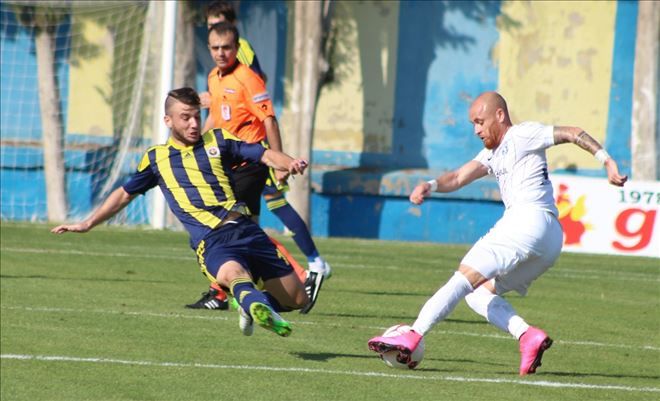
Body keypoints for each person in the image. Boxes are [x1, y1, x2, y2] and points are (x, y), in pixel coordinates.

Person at [367, 91, 628, 375]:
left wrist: (606, 160)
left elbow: (572, 133)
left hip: (525, 221)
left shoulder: (522, 134)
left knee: (463, 278)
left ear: (500, 115)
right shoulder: (491, 154)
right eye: (473, 124)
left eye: (480, 122)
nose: (477, 130)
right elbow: (456, 177)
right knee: (477, 295)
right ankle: (527, 335)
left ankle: (413, 333)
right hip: (550, 240)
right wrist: (430, 184)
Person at [51, 87, 311, 337]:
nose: (194, 124)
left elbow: (264, 155)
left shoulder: (218, 139)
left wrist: (290, 162)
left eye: (197, 116)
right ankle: (249, 299)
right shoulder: (157, 158)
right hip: (212, 241)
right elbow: (123, 194)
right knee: (235, 276)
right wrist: (88, 223)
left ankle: (249, 303)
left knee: (298, 299)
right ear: (168, 120)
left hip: (248, 230)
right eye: (185, 118)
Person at [191, 21, 331, 315]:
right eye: (215, 48)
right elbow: (216, 119)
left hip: (250, 165)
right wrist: (197, 150)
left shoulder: (249, 79)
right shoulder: (213, 78)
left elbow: (269, 120)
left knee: (223, 223)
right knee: (248, 230)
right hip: (227, 165)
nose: (220, 53)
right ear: (209, 49)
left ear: (236, 48)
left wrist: (279, 161)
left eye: (226, 48)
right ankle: (250, 293)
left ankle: (299, 276)